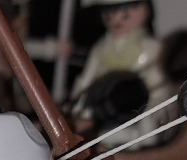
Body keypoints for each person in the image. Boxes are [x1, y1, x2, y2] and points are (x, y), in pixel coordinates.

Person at [69, 0, 170, 138]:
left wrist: (154, 100)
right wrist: (76, 105)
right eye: (109, 13)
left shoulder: (150, 46)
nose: (116, 19)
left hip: (140, 103)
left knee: (148, 123)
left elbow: (156, 82)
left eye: (125, 13)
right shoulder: (100, 49)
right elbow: (87, 80)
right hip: (106, 104)